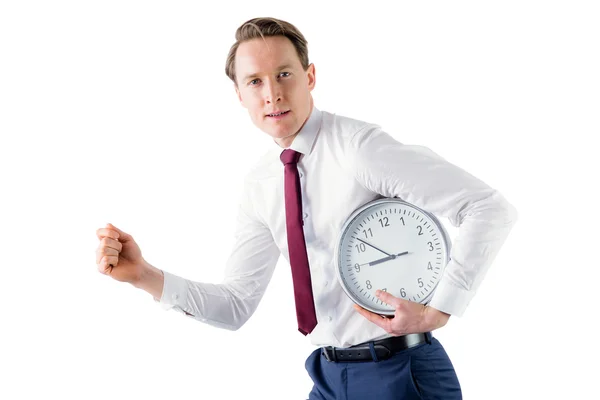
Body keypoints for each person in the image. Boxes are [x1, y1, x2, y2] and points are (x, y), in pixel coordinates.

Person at [95, 17, 518, 399]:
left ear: (309, 76)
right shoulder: (261, 185)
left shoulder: (359, 149)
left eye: (283, 74)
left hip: (400, 374)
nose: (273, 94)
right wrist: (144, 277)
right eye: (255, 81)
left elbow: (487, 207)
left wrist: (440, 309)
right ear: (239, 95)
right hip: (327, 377)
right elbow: (237, 305)